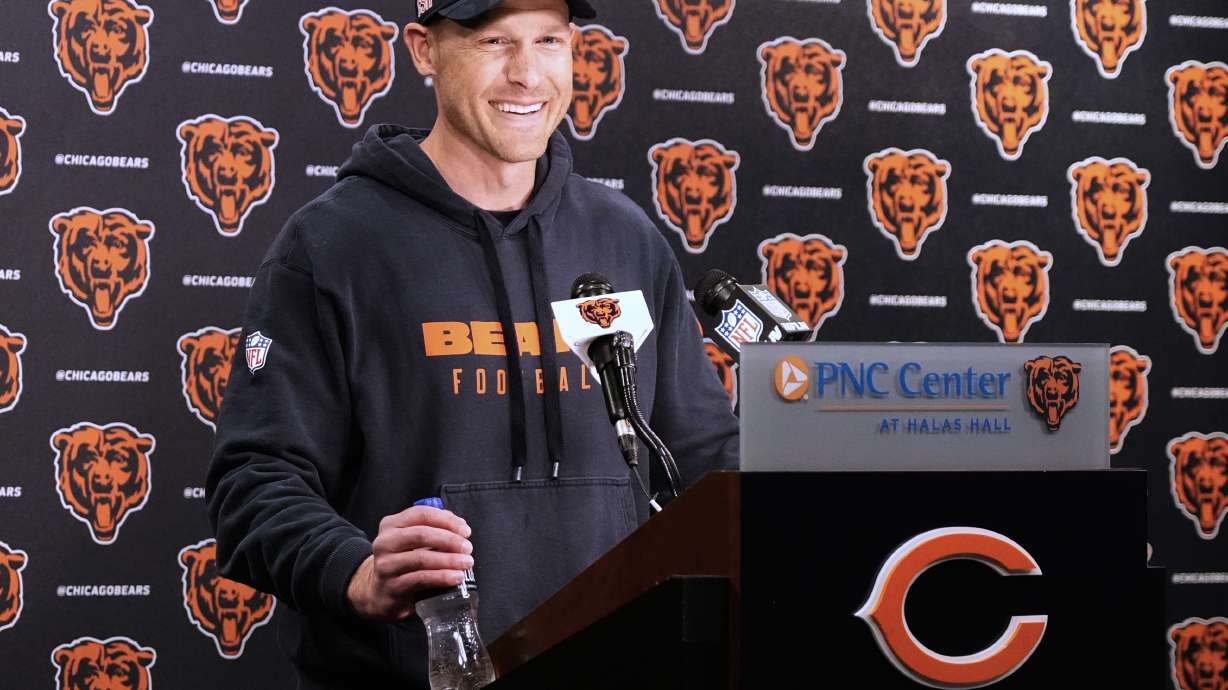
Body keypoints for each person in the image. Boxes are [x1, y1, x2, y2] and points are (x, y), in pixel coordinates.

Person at [206, 0, 739, 687]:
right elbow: (254, 480)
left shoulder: (624, 237)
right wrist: (359, 571)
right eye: (494, 41)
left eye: (549, 40)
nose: (528, 74)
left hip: (621, 663)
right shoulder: (332, 246)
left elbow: (705, 457)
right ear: (425, 51)